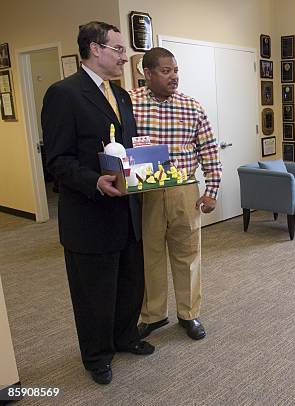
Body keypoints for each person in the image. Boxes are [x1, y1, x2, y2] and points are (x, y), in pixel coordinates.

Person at [41, 21, 154, 385]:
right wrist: (95, 181)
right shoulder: (64, 94)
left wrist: (149, 167)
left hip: (127, 211)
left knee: (129, 281)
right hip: (89, 215)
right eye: (119, 49)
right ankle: (96, 356)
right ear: (94, 48)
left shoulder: (121, 95)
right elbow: (57, 160)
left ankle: (124, 337)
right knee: (94, 292)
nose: (126, 57)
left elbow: (126, 147)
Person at [129, 47, 222, 341]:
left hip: (184, 190)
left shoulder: (192, 106)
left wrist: (212, 190)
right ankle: (153, 315)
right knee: (149, 256)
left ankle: (189, 314)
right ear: (148, 73)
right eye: (166, 71)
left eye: (176, 71)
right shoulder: (129, 104)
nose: (174, 77)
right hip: (146, 192)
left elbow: (209, 150)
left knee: (188, 255)